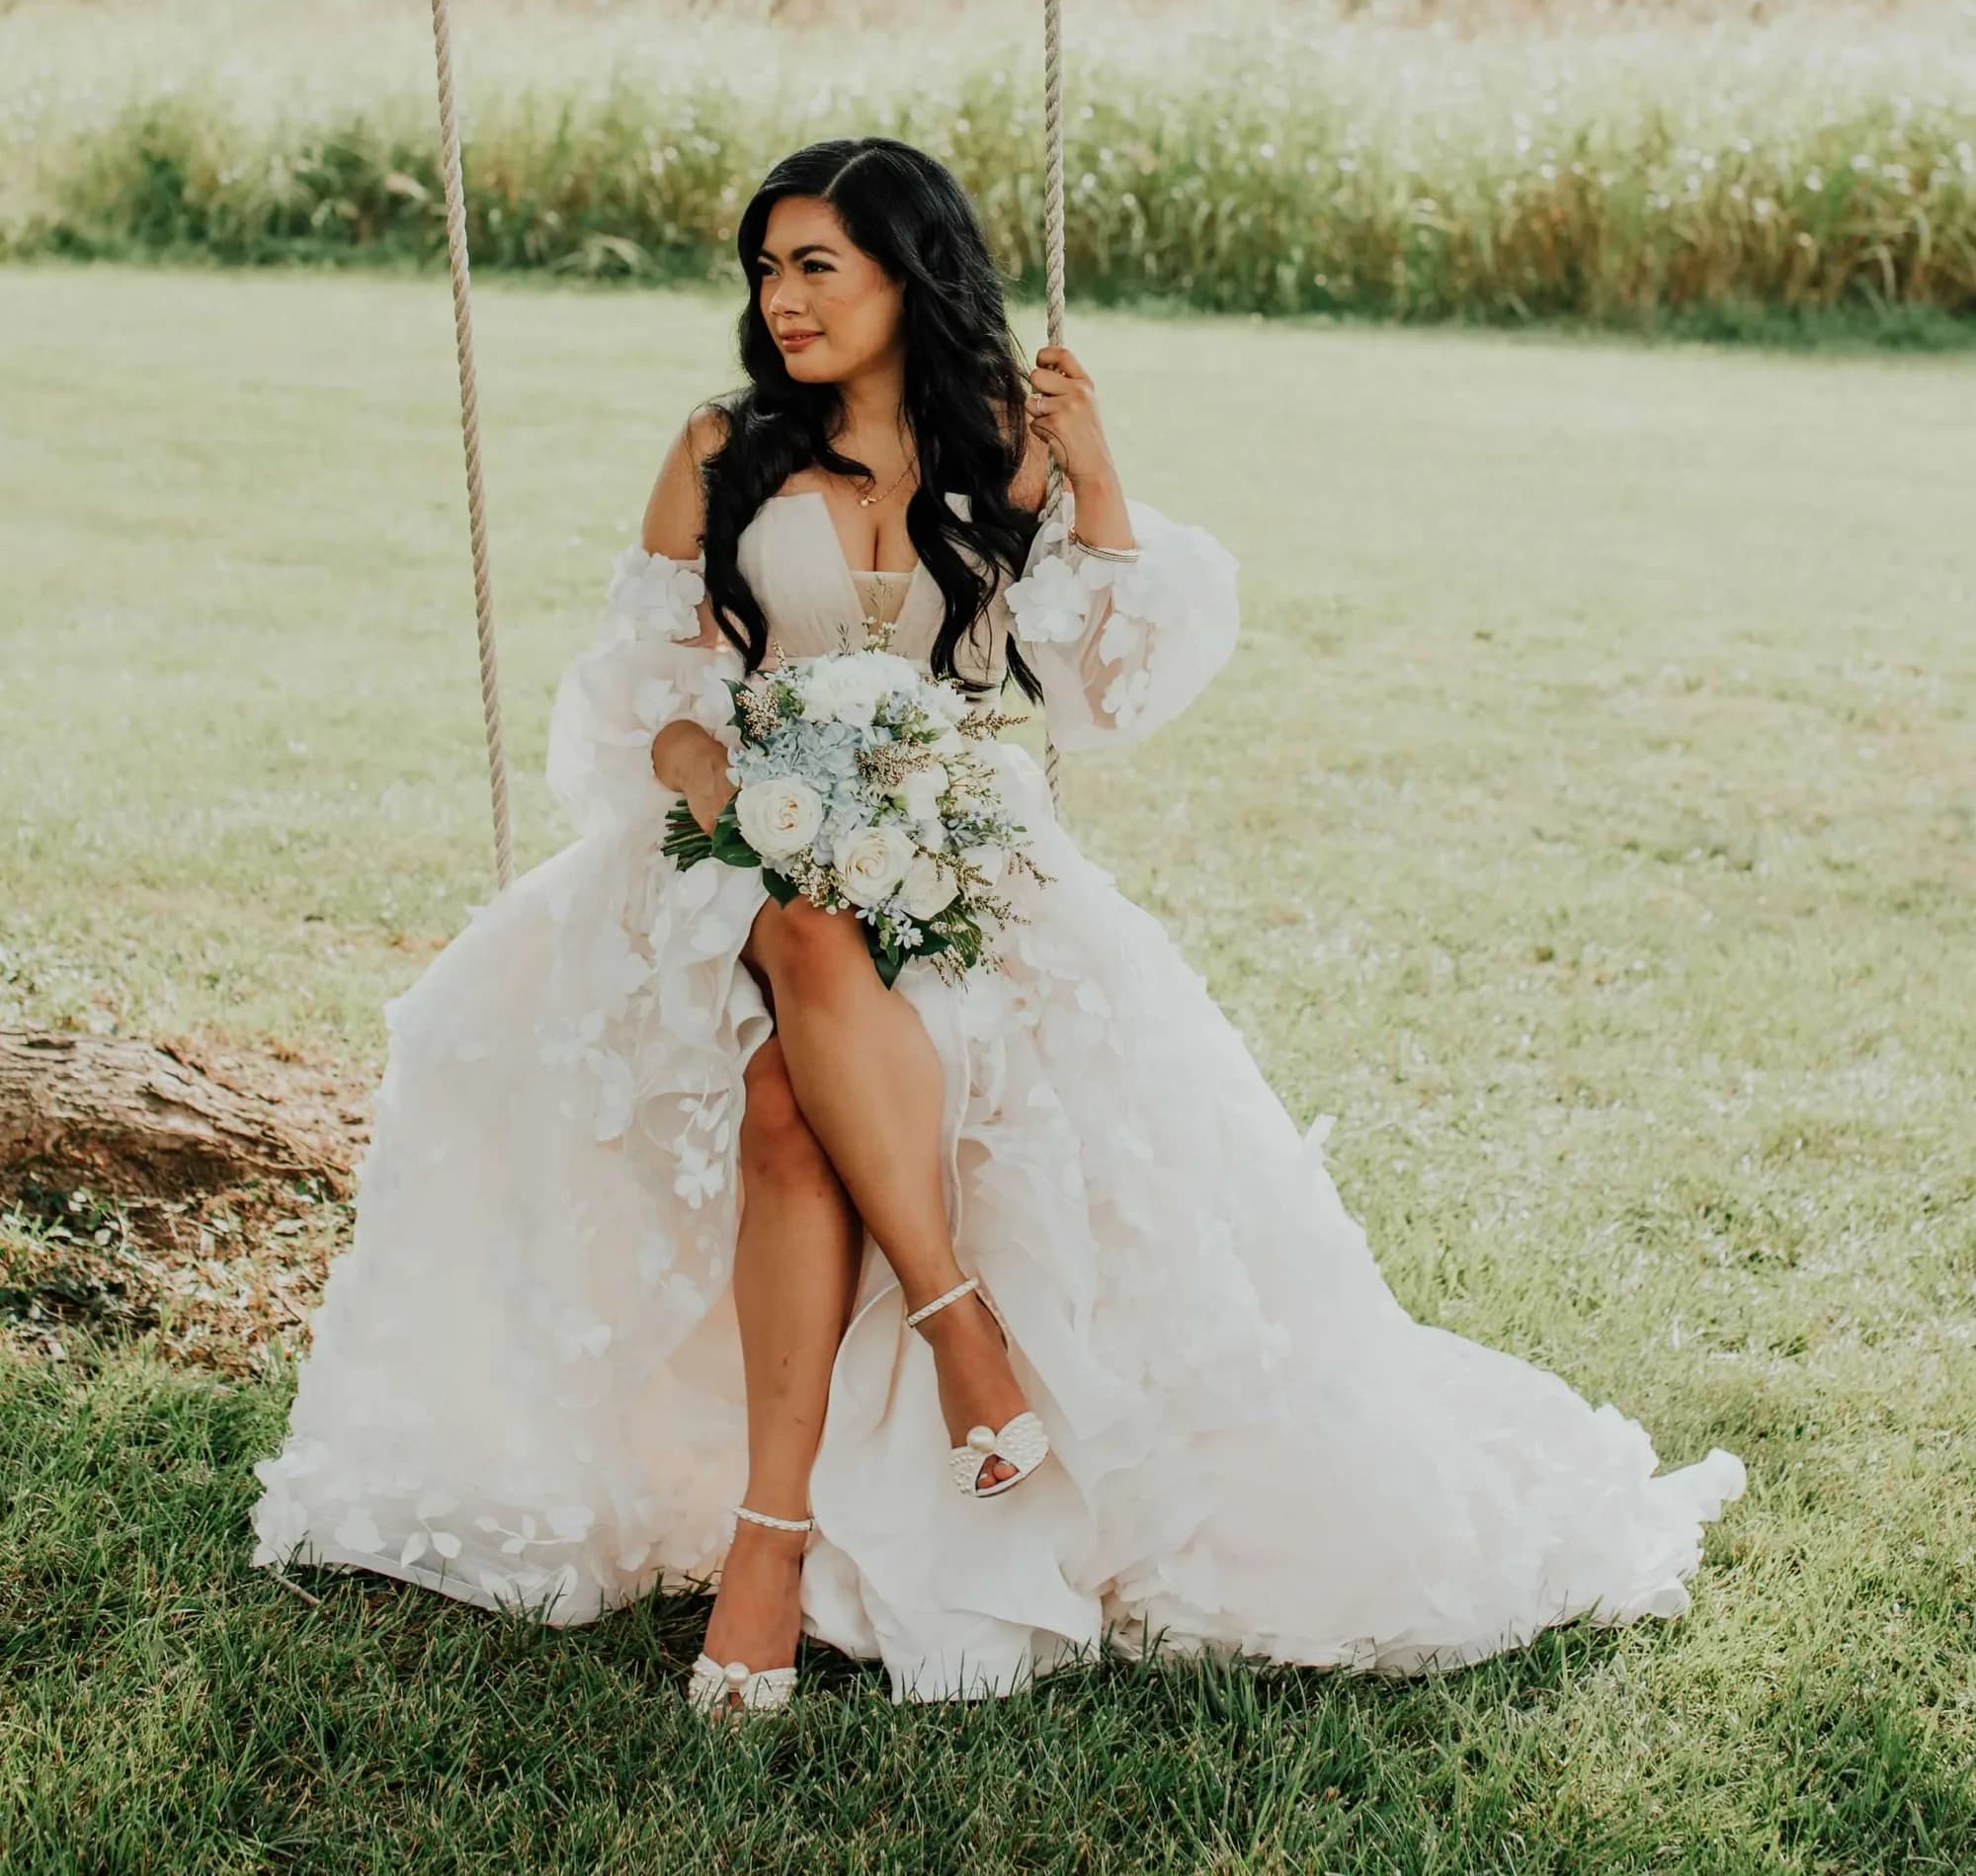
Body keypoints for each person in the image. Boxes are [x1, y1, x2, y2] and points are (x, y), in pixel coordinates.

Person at [252, 135, 1744, 1714]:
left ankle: (778, 1533)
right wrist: (749, 803)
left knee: (785, 1104)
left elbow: (1100, 702)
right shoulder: (722, 450)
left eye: (817, 265)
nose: (782, 299)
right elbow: (650, 699)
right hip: (732, 850)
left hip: (958, 858)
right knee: (804, 934)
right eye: (766, 269)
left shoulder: (1001, 463)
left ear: (910, 275)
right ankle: (951, 1346)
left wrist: (1093, 478)